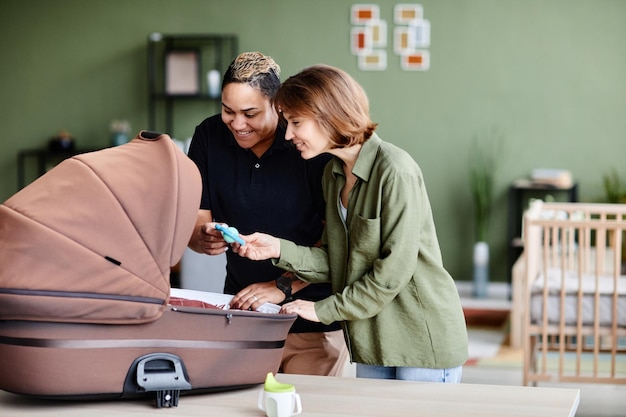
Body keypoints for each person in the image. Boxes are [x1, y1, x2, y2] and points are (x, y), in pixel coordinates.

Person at [234, 64, 468, 382]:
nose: (288, 135)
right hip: (372, 341)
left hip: (421, 340)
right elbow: (336, 261)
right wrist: (276, 248)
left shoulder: (395, 170)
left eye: (296, 123)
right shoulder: (332, 176)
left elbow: (392, 273)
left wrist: (321, 310)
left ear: (328, 115)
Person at [186, 53, 348, 376]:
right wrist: (202, 237)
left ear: (278, 105)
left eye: (249, 113)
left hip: (311, 323)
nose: (237, 123)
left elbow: (333, 244)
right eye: (227, 111)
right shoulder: (208, 137)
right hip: (242, 319)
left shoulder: (307, 146)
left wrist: (281, 286)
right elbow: (194, 220)